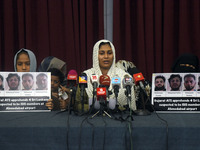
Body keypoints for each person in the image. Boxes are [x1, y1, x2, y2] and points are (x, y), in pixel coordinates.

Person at [75, 39, 137, 112]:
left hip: (119, 120)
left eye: (109, 53)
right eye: (102, 53)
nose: (106, 56)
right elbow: (77, 104)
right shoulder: (85, 76)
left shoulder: (124, 76)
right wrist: (95, 107)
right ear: (96, 56)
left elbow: (131, 108)